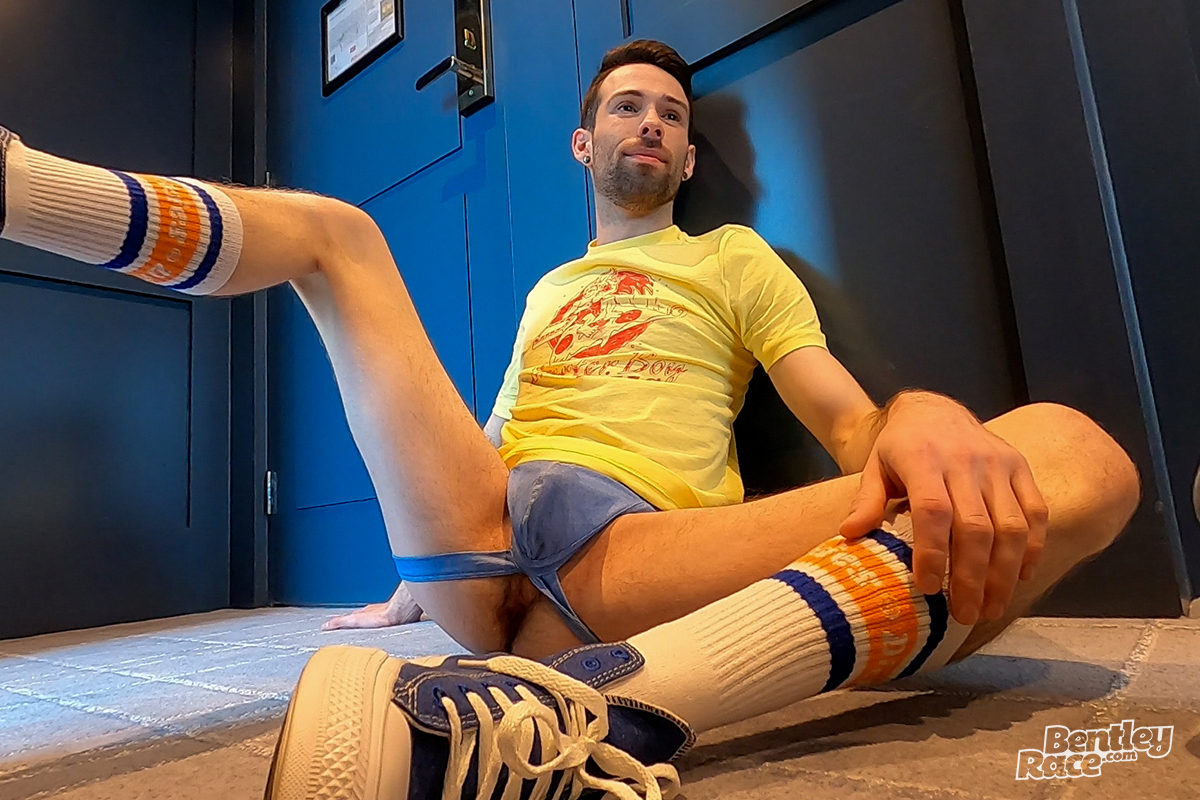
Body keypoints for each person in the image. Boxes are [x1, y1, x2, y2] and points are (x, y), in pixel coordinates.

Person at [0, 39, 1139, 800]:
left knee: (1077, 457)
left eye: (671, 115)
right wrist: (410, 585)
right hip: (487, 531)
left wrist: (920, 413)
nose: (651, 123)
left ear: (685, 158)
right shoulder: (551, 286)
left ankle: (591, 703)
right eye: (626, 107)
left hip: (633, 549)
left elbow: (845, 419)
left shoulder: (732, 258)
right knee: (337, 235)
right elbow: (494, 436)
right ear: (584, 143)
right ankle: (18, 185)